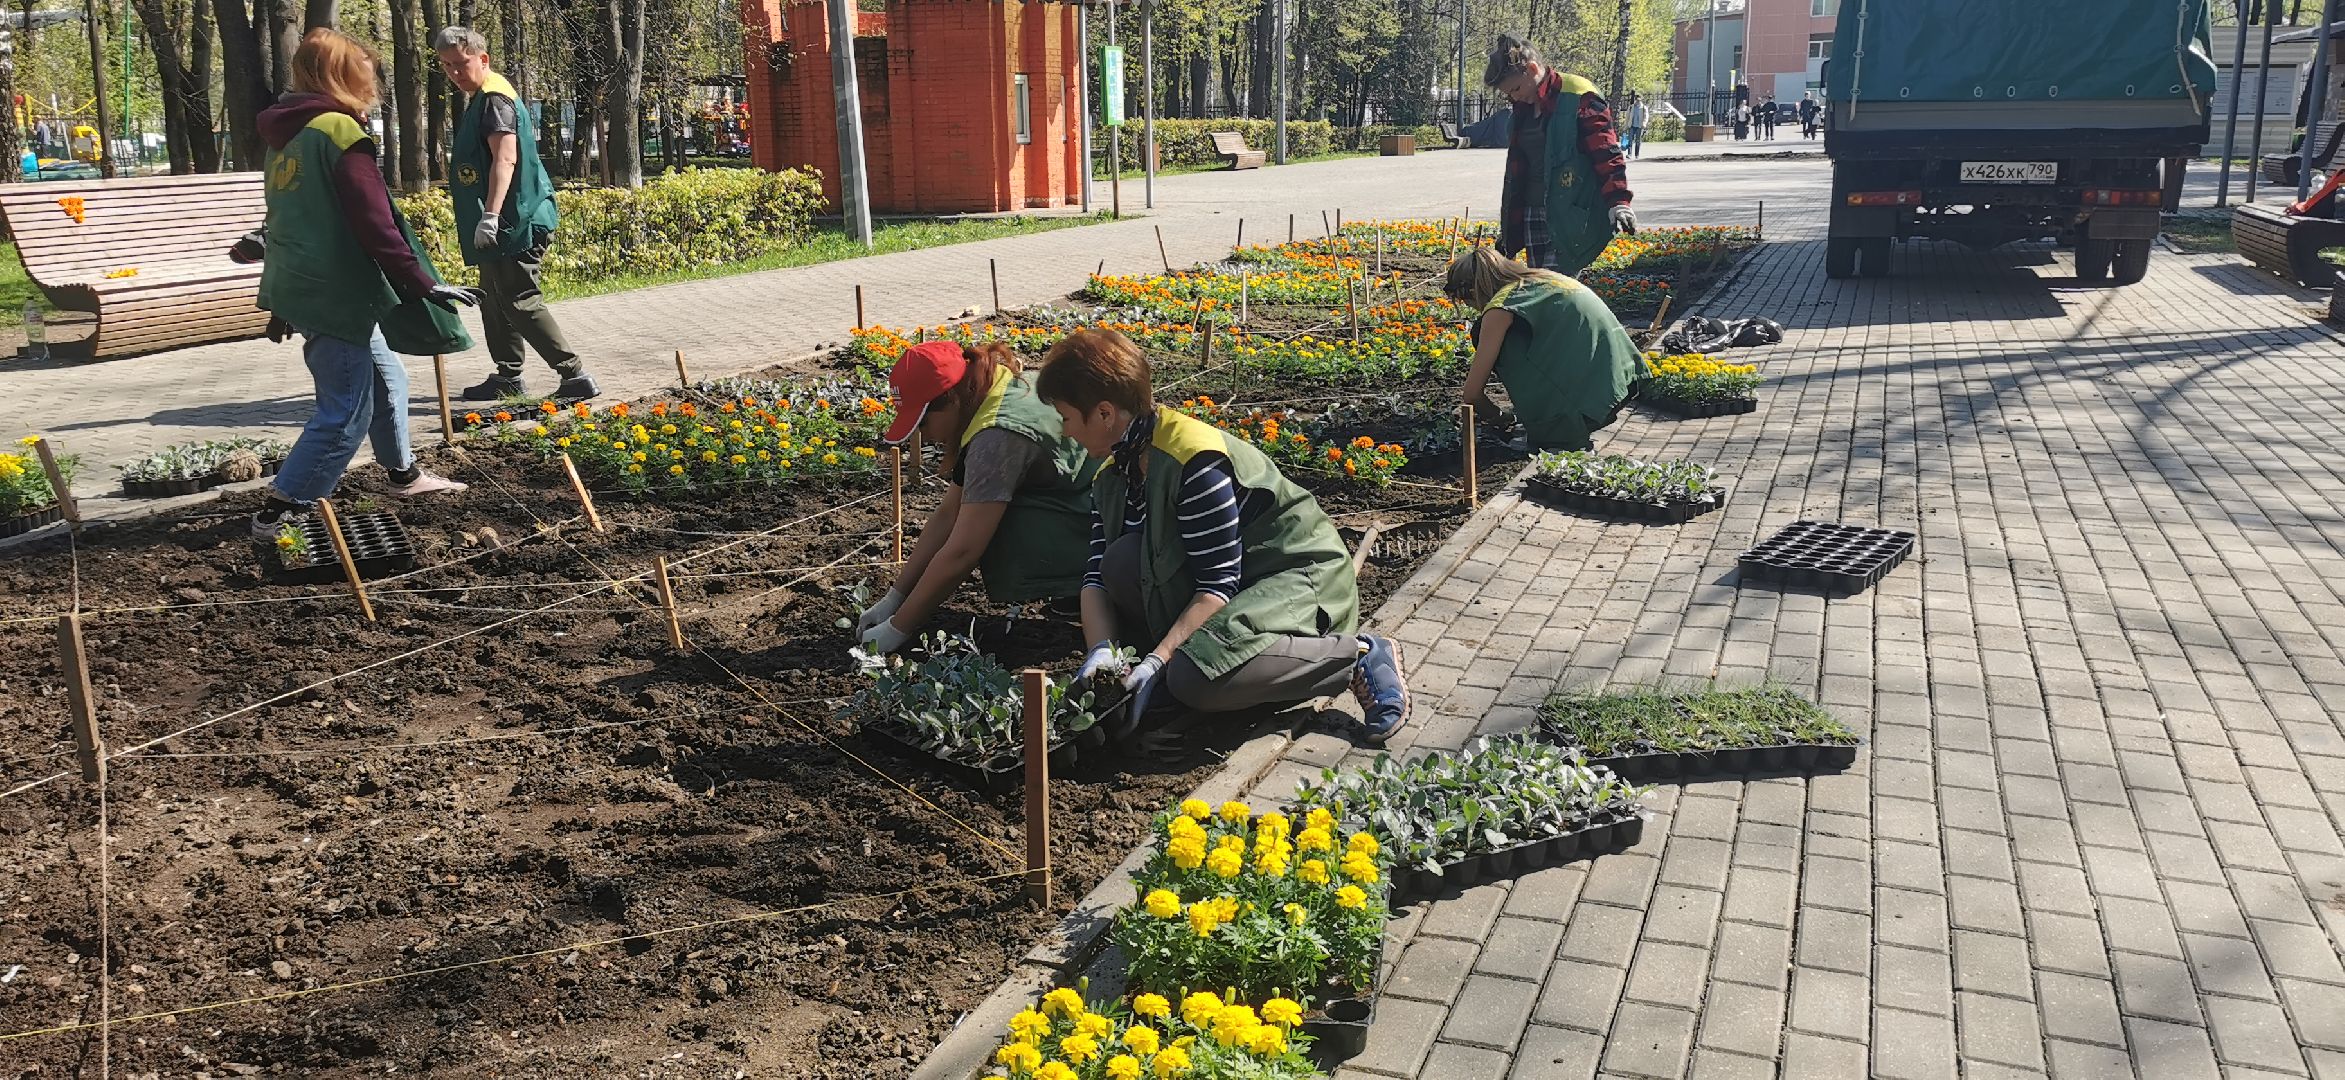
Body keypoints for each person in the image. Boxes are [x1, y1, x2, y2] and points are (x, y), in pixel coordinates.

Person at [1035, 329, 1410, 743]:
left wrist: (1159, 660)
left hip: (1292, 577)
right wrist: (1101, 654)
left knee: (1195, 679)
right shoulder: (1113, 473)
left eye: (1066, 417)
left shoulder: (1194, 463)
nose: (1065, 432)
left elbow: (1217, 584)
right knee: (1120, 563)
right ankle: (1234, 666)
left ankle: (1354, 657)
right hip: (1238, 584)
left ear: (1105, 413)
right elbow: (1096, 576)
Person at [247, 29, 472, 541]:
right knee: (346, 408)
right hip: (334, 290)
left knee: (386, 377)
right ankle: (283, 510)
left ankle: (403, 475)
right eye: (364, 74)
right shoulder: (338, 133)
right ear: (341, 76)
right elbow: (375, 222)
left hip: (304, 279)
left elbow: (293, 212)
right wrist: (422, 283)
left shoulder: (288, 134)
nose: (371, 83)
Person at [853, 340, 1100, 653]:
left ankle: (1082, 585)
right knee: (979, 508)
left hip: (1104, 532)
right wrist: (895, 598)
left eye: (924, 422)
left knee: (991, 522)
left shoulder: (996, 437)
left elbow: (962, 551)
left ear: (953, 400)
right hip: (1091, 507)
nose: (923, 435)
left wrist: (898, 628)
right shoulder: (999, 388)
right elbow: (947, 513)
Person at [433, 27, 599, 403]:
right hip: (504, 220)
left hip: (515, 220)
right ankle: (509, 375)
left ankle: (574, 376)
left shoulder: (495, 99)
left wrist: (490, 216)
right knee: (494, 297)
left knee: (520, 298)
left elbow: (505, 159)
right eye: (447, 66)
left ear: (483, 58)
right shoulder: (483, 96)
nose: (455, 72)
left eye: (462, 63)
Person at [1446, 246, 1638, 453]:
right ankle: (1561, 419)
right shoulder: (1544, 280)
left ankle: (1557, 433)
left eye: (1466, 301)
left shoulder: (1500, 309)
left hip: (1587, 407)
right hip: (1622, 383)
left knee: (1494, 339)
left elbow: (1472, 394)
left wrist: (1499, 418)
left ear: (1473, 291)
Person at [1485, 34, 1636, 278]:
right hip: (1532, 214)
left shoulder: (1578, 96)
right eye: (1508, 94)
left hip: (1569, 213)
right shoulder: (1521, 110)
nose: (1513, 97)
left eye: (1515, 88)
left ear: (1533, 69)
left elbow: (1606, 153)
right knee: (1539, 286)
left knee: (1556, 289)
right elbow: (1517, 171)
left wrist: (1618, 202)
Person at [1623, 93, 1649, 159]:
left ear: (1641, 100)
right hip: (1632, 125)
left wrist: (1644, 124)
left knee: (1638, 140)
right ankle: (1629, 154)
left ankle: (1637, 154)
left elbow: (1646, 117)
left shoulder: (1643, 107)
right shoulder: (1631, 107)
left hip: (1639, 126)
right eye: (1636, 100)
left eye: (1639, 100)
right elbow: (1627, 117)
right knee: (1630, 140)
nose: (1637, 101)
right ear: (1635, 100)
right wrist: (1626, 126)